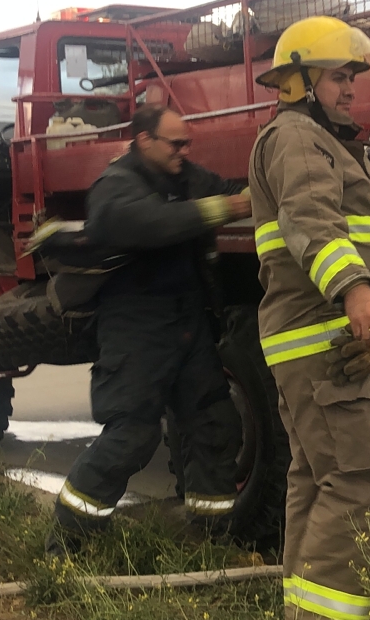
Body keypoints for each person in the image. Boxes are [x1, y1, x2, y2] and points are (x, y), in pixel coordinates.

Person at [249, 16, 370, 620]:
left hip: (315, 341)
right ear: (300, 80)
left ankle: (318, 615)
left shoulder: (315, 139)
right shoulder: (296, 139)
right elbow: (310, 218)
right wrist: (356, 289)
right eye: (340, 76)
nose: (350, 89)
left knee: (320, 479)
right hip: (330, 339)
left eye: (352, 77)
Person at [48, 105, 252, 551]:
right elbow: (146, 223)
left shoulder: (187, 178)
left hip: (187, 324)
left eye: (187, 144)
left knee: (214, 425)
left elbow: (232, 191)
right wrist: (223, 208)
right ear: (144, 141)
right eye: (175, 143)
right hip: (136, 328)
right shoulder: (116, 185)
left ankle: (210, 538)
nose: (184, 151)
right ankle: (67, 545)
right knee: (132, 436)